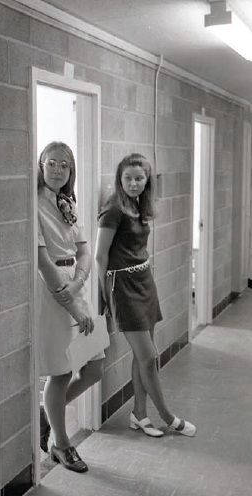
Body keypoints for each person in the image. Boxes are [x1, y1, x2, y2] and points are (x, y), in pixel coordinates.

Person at [95, 153, 196, 438]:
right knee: (149, 357)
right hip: (123, 289)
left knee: (142, 356)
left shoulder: (138, 205)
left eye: (139, 178)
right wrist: (103, 297)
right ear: (119, 178)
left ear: (147, 180)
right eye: (128, 178)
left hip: (144, 283)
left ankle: (139, 414)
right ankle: (168, 416)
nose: (134, 183)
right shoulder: (113, 209)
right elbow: (100, 256)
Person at [37, 141, 105, 472]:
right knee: (62, 372)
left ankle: (46, 413)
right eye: (52, 163)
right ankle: (61, 445)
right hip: (53, 289)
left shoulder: (67, 203)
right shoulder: (32, 204)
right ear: (41, 164)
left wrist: (79, 282)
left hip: (76, 283)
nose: (58, 170)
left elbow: (85, 251)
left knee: (94, 367)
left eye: (65, 165)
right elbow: (42, 260)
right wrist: (69, 297)